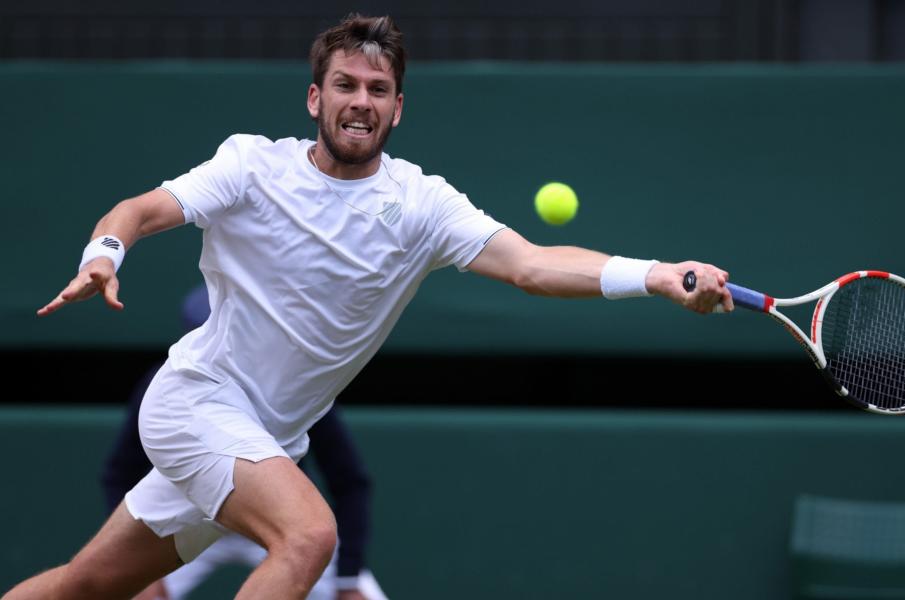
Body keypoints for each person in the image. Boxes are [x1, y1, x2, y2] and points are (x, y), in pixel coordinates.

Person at [11, 13, 733, 600]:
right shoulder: (250, 166)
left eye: (378, 88)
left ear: (397, 109)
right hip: (196, 404)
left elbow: (533, 266)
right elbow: (139, 210)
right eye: (346, 84)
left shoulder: (421, 203)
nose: (362, 99)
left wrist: (659, 273)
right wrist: (103, 252)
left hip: (267, 439)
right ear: (315, 98)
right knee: (309, 536)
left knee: (85, 587)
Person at [100, 285, 387, 600]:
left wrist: (347, 577)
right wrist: (139, 568)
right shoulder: (164, 387)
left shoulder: (296, 387)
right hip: (191, 515)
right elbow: (119, 474)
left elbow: (349, 481)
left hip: (278, 517)